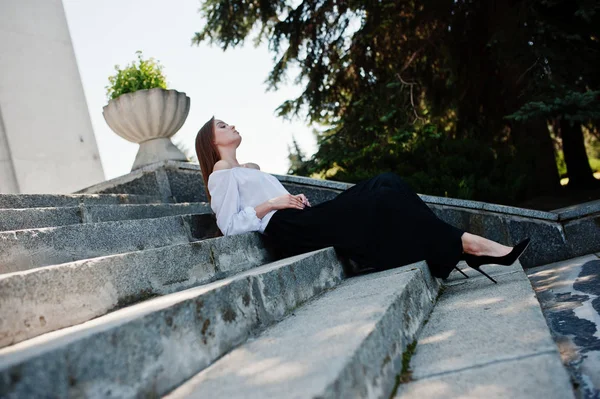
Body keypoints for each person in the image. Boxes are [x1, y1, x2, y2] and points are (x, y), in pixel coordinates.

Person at [195, 116, 531, 283]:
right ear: (211, 143)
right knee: (382, 199)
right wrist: (274, 204)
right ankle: (469, 246)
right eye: (223, 126)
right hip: (286, 230)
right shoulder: (221, 171)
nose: (232, 125)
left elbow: (270, 196)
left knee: (387, 181)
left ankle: (454, 248)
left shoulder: (249, 167)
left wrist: (289, 198)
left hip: (299, 217)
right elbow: (229, 225)